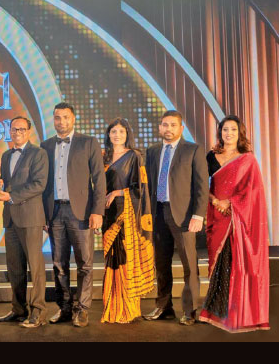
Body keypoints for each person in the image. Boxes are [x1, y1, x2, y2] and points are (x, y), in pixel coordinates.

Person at [198, 115, 270, 332]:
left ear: (240, 134)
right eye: (225, 130)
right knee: (219, 263)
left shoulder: (247, 159)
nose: (228, 133)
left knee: (235, 262)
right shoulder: (211, 156)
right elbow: (201, 184)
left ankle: (237, 311)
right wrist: (215, 201)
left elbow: (253, 191)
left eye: (233, 130)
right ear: (220, 133)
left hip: (239, 217)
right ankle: (216, 309)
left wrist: (230, 203)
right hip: (217, 215)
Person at [41, 103, 106, 328]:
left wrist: (97, 211)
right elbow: (43, 184)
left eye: (66, 117)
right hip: (54, 212)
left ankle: (83, 309)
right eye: (57, 117)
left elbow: (99, 179)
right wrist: (43, 215)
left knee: (84, 264)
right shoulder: (46, 145)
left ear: (74, 119)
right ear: (53, 119)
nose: (61, 122)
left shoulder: (88, 142)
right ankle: (65, 308)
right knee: (59, 264)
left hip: (81, 213)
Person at [143, 110, 208, 326]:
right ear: (160, 127)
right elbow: (149, 184)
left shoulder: (193, 150)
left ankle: (190, 310)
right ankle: (164, 307)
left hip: (184, 216)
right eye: (165, 125)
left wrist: (198, 215)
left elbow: (201, 186)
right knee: (161, 264)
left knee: (189, 265)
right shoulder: (152, 151)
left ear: (181, 128)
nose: (168, 129)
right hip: (158, 213)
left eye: (173, 125)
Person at [0, 116, 48, 328]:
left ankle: (38, 311)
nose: (17, 132)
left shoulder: (38, 153)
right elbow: (6, 183)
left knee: (35, 267)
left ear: (28, 131)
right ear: (9, 131)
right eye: (14, 129)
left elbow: (39, 184)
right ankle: (18, 309)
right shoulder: (6, 155)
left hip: (30, 217)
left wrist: (11, 196)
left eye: (21, 129)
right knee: (15, 267)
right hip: (10, 218)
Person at [100, 118, 155, 323]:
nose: (117, 135)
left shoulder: (134, 156)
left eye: (121, 132)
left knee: (125, 259)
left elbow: (140, 187)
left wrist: (117, 192)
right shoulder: (103, 157)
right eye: (113, 131)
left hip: (126, 215)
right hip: (108, 215)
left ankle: (128, 309)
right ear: (108, 134)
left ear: (127, 134)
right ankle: (111, 307)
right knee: (111, 260)